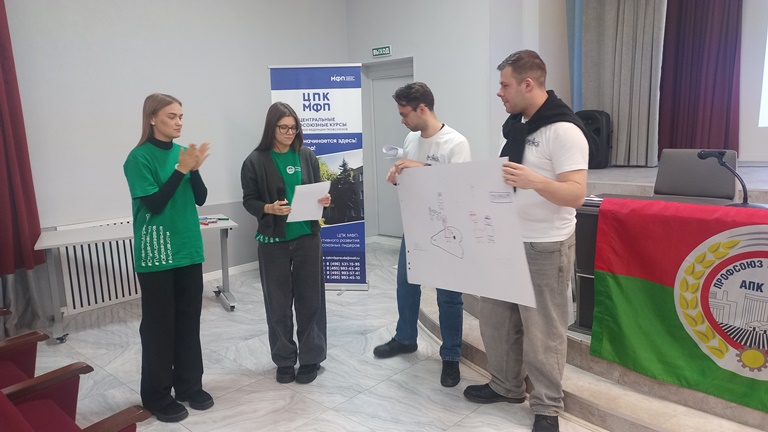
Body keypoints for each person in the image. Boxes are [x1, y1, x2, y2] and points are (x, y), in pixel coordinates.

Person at [462, 50, 589, 432]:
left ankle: (547, 407)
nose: (499, 92)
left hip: (544, 246)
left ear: (528, 84)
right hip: (504, 240)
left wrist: (535, 181)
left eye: (505, 85)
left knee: (543, 332)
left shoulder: (564, 131)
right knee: (497, 321)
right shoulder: (519, 126)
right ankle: (505, 385)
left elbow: (576, 194)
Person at [372, 82, 471, 388]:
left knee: (449, 296)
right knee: (406, 286)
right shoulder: (411, 139)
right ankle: (405, 338)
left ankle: (451, 354)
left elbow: (461, 189)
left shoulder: (455, 143)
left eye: (405, 114)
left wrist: (422, 167)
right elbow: (413, 181)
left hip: (447, 230)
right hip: (415, 226)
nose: (402, 120)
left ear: (422, 109)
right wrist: (398, 177)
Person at [123, 93, 213, 423]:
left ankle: (189, 385)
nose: (178, 122)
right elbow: (155, 203)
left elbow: (201, 198)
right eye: (171, 116)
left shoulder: (182, 153)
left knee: (189, 322)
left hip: (188, 250)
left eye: (181, 116)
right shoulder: (138, 158)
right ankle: (157, 395)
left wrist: (194, 170)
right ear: (152, 118)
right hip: (157, 254)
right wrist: (181, 169)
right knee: (159, 328)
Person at [241, 101, 331, 385]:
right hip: (273, 242)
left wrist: (324, 200)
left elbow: (316, 190)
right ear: (271, 128)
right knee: (278, 304)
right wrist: (268, 208)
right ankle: (284, 360)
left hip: (307, 238)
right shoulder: (255, 161)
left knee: (311, 300)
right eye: (284, 128)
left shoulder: (306, 155)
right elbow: (249, 200)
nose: (290, 133)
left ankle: (311, 358)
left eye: (294, 128)